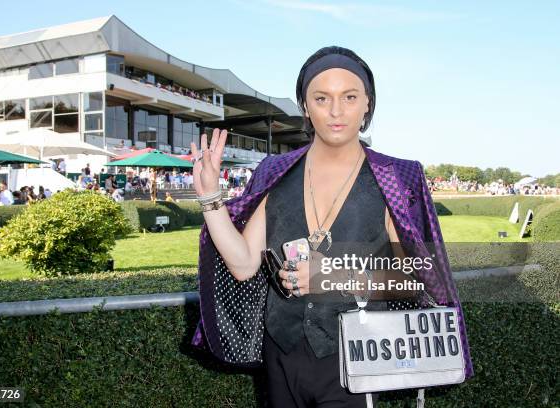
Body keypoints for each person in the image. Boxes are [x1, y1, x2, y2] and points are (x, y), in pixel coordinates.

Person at [190, 46, 474, 408]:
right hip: (282, 354)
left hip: (357, 362)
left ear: (367, 104)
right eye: (322, 98)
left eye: (349, 97)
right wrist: (211, 198)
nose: (336, 111)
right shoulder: (275, 172)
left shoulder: (396, 177)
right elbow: (244, 264)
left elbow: (417, 277)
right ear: (306, 107)